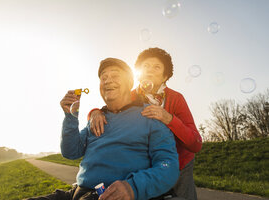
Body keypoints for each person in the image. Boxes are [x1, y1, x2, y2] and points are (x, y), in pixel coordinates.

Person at [26, 57, 179, 200]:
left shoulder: (150, 115)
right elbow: (70, 152)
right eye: (103, 77)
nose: (107, 81)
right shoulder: (96, 119)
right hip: (77, 193)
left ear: (130, 82)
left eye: (115, 75)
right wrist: (70, 115)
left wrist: (132, 187)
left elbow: (169, 166)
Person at [88, 48, 202, 200]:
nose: (149, 70)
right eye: (145, 66)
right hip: (147, 167)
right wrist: (94, 112)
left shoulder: (176, 98)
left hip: (180, 166)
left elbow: (195, 143)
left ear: (165, 76)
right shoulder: (131, 95)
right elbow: (110, 109)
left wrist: (169, 119)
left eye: (156, 67)